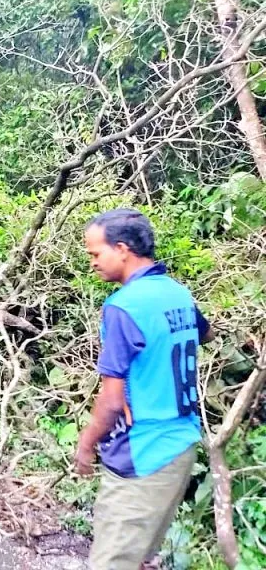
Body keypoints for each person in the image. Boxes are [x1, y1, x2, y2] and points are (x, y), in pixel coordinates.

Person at [75, 208, 213, 570]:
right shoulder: (177, 293)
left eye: (95, 253)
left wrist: (86, 446)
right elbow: (205, 332)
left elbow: (111, 399)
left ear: (121, 249)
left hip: (143, 453)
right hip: (182, 445)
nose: (93, 262)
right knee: (138, 558)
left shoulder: (123, 307)